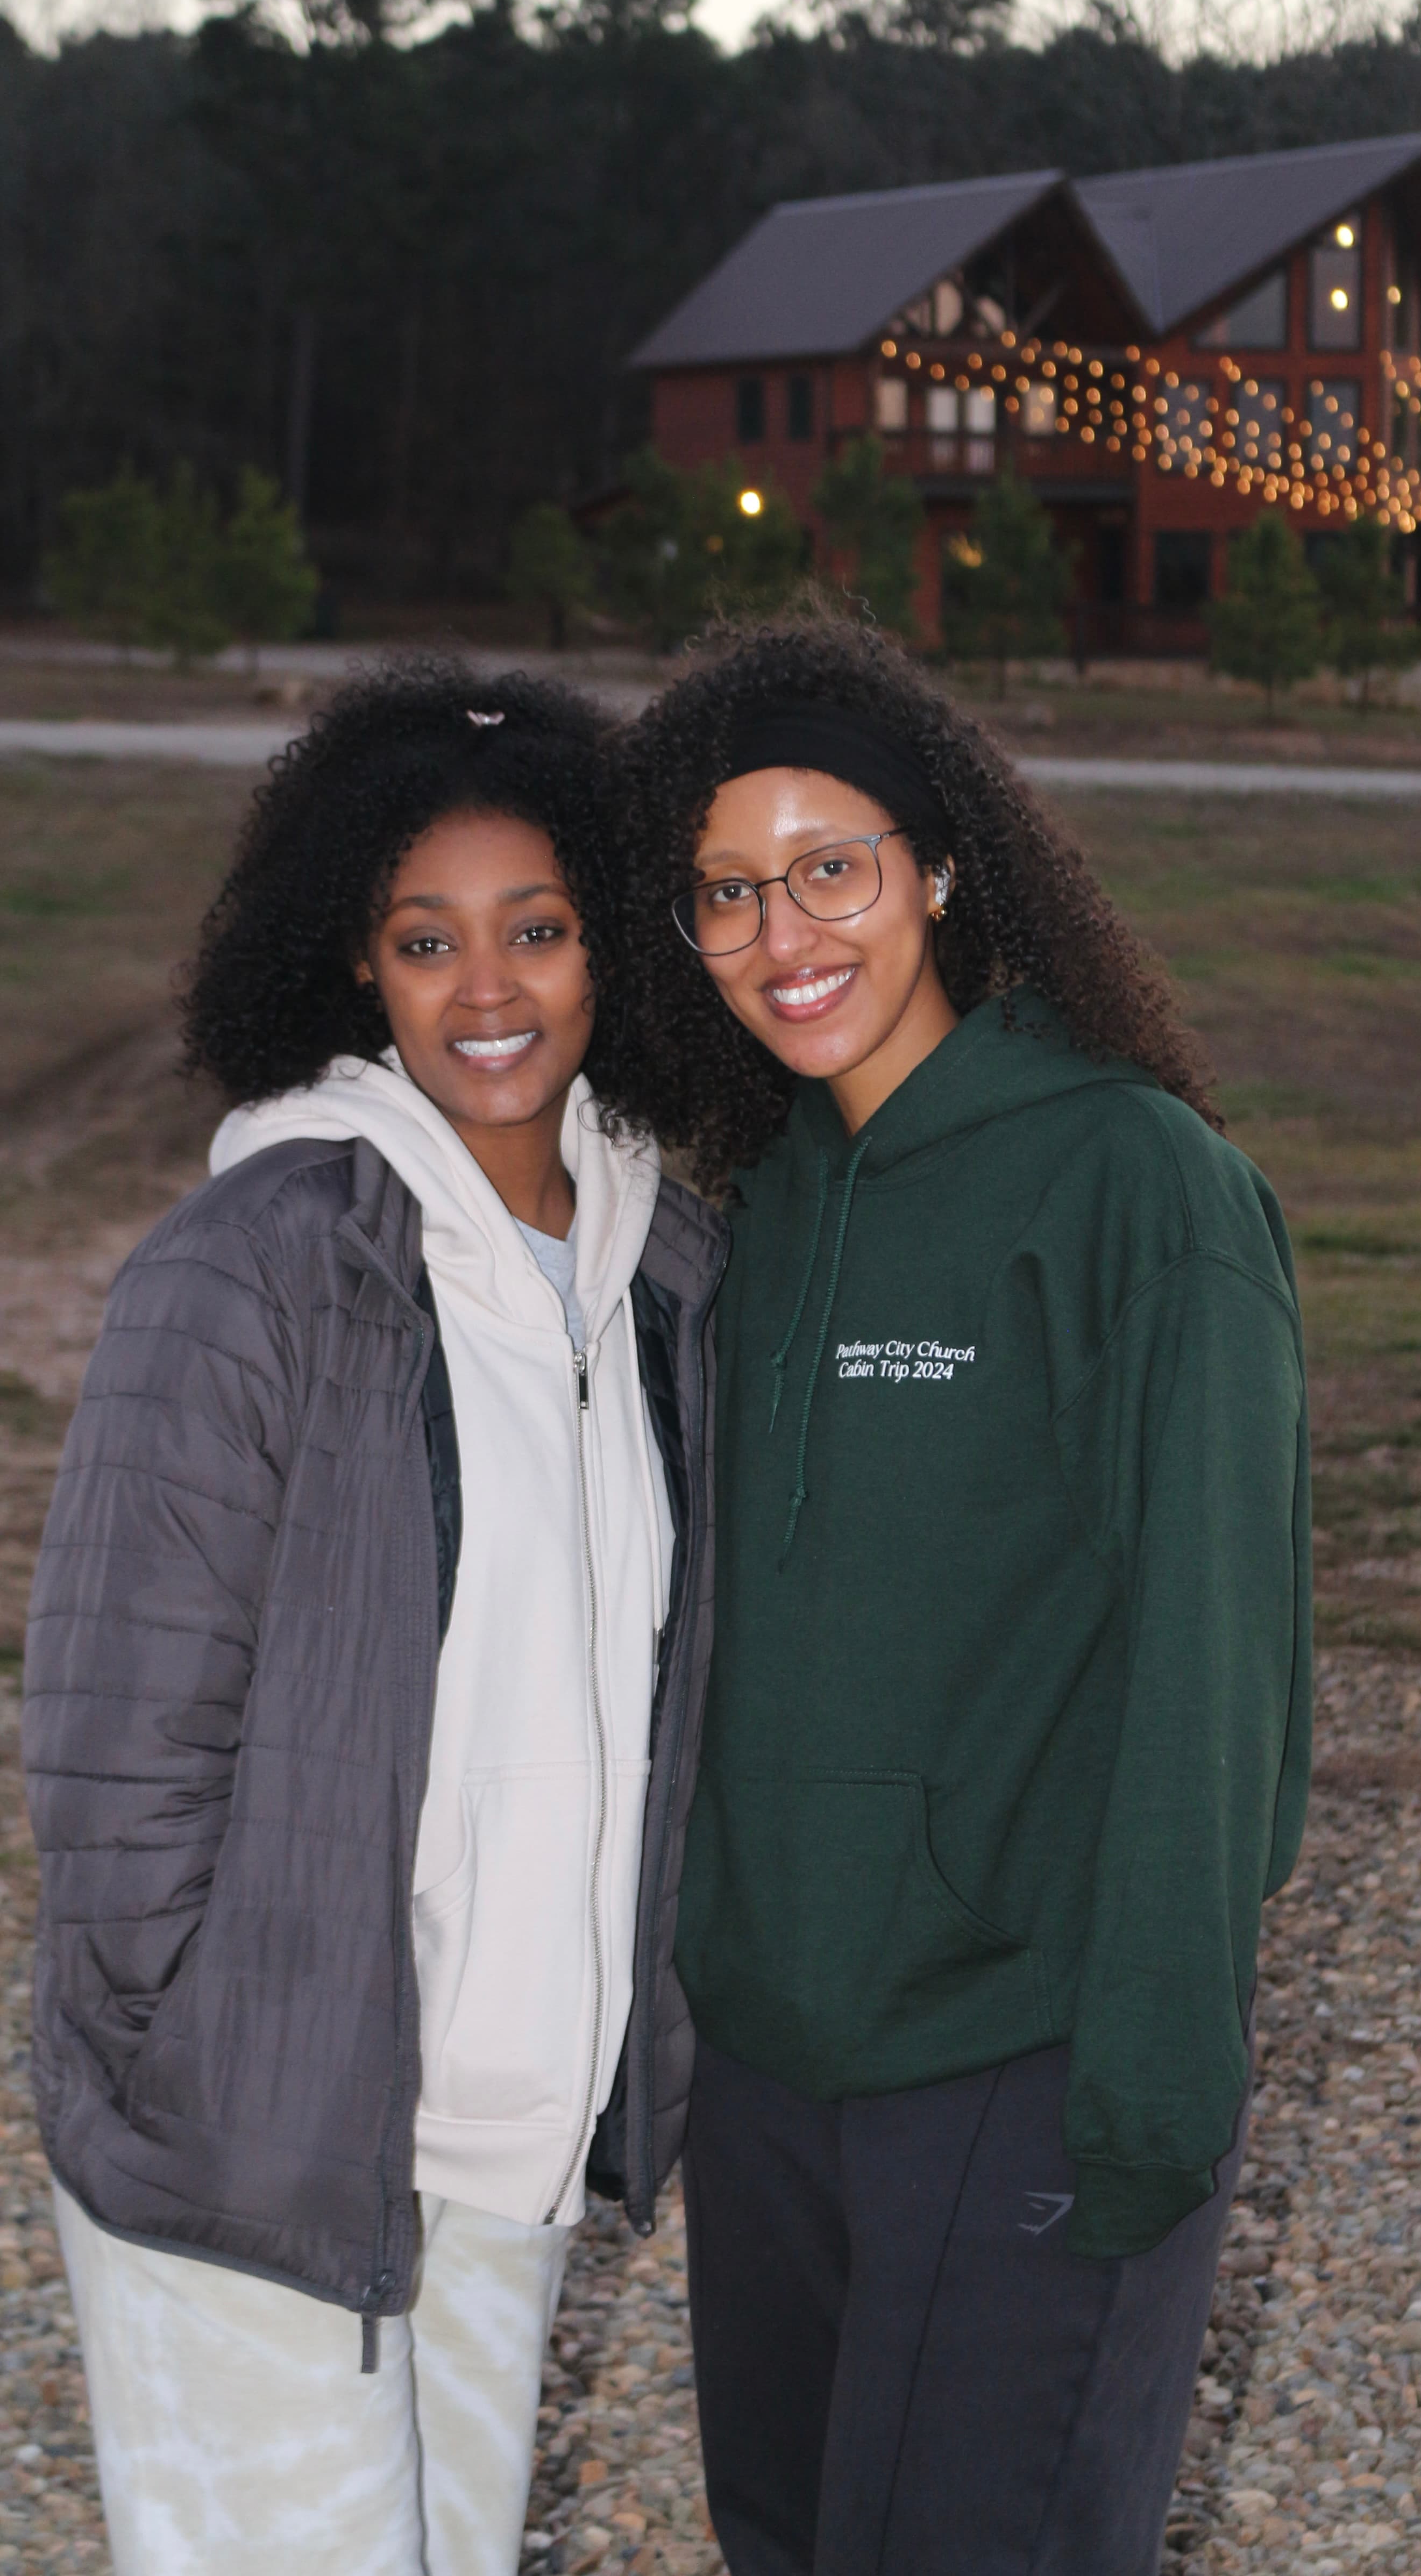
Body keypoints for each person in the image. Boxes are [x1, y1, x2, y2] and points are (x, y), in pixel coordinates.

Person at [609, 620, 1312, 2576]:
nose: (783, 934)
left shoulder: (1138, 1190)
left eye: (830, 867)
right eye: (728, 893)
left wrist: (1159, 2088)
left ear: (938, 868)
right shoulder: (764, 1212)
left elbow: (1217, 1670)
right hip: (773, 2065)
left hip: (1019, 2061)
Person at [24, 662, 724, 2576]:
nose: (487, 991)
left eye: (540, 932)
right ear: (358, 961)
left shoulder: (670, 1270)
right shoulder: (253, 1268)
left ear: (613, 953)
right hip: (268, 2138)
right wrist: (200, 2062)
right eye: (430, 941)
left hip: (515, 2143)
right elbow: (111, 1745)